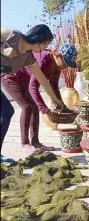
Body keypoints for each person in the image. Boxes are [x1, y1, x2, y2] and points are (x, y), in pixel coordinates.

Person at [1, 24, 68, 163]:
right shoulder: (12, 35)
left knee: (7, 111)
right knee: (12, 109)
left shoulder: (29, 59)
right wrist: (2, 48)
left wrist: (56, 100)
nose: (45, 48)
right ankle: (24, 143)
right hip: (7, 78)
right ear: (40, 41)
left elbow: (44, 81)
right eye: (46, 44)